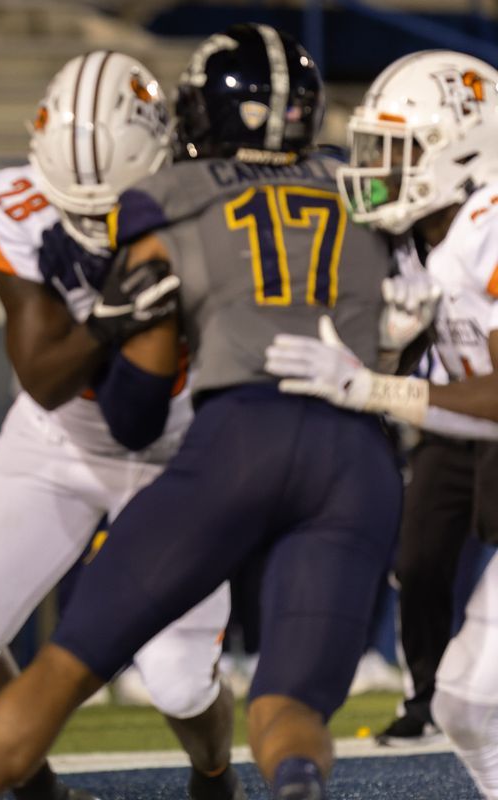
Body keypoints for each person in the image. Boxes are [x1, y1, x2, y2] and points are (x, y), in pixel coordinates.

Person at [0, 24, 402, 800]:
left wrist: (125, 321)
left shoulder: (173, 197)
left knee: (170, 682)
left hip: (198, 443)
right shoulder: (357, 187)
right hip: (312, 442)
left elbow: (137, 415)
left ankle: (212, 777)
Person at [0, 51, 238, 800]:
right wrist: (113, 317)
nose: (95, 223)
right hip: (55, 436)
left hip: (182, 449)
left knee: (178, 680)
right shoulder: (14, 203)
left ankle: (215, 773)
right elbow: (43, 371)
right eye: (77, 206)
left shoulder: (210, 206)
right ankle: (41, 796)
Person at [262, 50, 498, 798]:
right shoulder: (422, 243)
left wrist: (374, 389)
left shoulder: (490, 225)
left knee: (474, 698)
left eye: (398, 151)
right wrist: (394, 357)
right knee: (463, 701)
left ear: (463, 150)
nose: (376, 168)